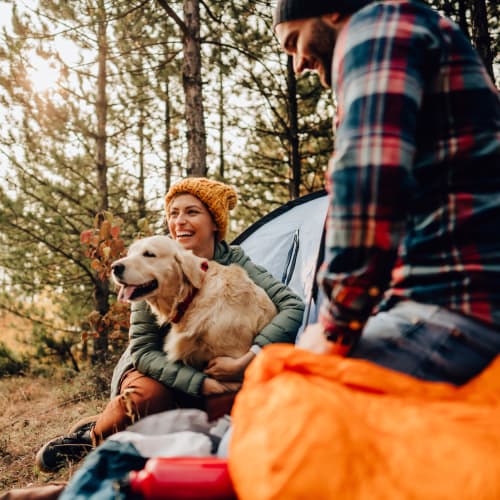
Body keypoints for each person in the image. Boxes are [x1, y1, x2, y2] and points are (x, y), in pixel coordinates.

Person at [274, 0, 500, 383]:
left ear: (332, 10)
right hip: (460, 301)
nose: (298, 64)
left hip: (458, 307)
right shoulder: (411, 32)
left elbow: (368, 177)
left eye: (295, 41)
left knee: (287, 391)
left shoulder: (376, 26)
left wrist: (334, 327)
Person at [35, 177, 305, 472]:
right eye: (173, 213)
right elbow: (143, 350)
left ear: (214, 222)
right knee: (147, 400)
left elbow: (293, 307)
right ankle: (91, 438)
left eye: (192, 212)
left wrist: (249, 358)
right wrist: (200, 384)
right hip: (158, 370)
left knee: (233, 416)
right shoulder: (150, 263)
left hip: (220, 370)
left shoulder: (237, 263)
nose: (180, 221)